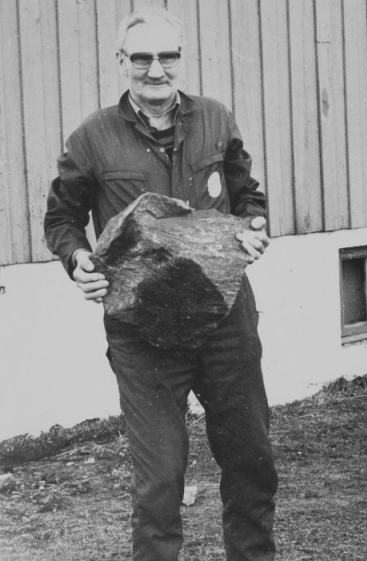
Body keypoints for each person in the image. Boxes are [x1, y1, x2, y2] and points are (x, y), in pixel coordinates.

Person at [43, 8, 278, 561]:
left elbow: (249, 197)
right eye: (142, 58)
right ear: (122, 62)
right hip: (141, 331)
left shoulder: (216, 119)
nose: (156, 70)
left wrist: (256, 229)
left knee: (252, 463)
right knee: (160, 483)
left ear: (181, 59)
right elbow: (61, 219)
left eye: (167, 56)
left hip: (225, 320)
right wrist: (77, 258)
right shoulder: (92, 137)